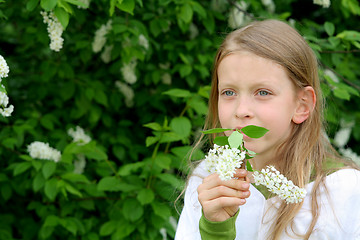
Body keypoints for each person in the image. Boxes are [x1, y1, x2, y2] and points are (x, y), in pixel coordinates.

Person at [175, 19, 360, 240]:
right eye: (229, 92)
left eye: (263, 92)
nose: (241, 110)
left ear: (301, 106)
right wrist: (215, 229)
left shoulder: (344, 192)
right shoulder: (207, 180)